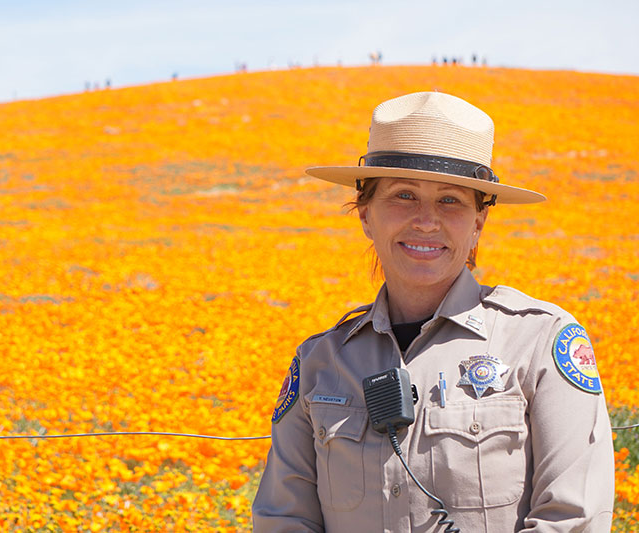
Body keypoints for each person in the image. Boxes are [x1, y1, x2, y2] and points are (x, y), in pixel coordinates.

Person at [252, 91, 614, 532]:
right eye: (404, 196)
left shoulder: (538, 343)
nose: (426, 221)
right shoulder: (320, 362)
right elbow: (283, 519)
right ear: (366, 215)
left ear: (479, 221)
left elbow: (572, 520)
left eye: (450, 201)